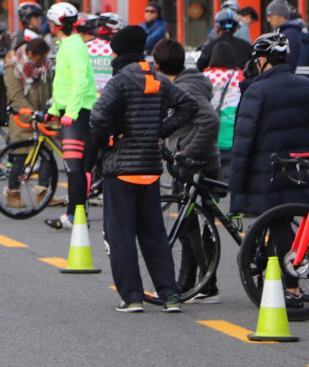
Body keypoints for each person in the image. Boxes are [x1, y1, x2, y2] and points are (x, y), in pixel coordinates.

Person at [90, 26, 196, 313]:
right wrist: (159, 130)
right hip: (150, 168)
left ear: (120, 53)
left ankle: (133, 297)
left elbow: (98, 115)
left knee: (120, 234)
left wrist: (108, 141)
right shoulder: (158, 79)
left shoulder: (120, 81)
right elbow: (189, 105)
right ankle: (170, 295)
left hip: (121, 171)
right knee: (154, 234)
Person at [230, 33, 309, 306]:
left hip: (267, 170)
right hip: (299, 167)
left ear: (262, 60)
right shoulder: (306, 87)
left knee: (278, 225)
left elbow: (243, 141)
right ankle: (287, 283)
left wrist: (236, 186)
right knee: (284, 222)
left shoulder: (257, 90)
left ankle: (291, 289)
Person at [153, 39, 222, 302]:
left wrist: (188, 151)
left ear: (158, 66)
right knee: (188, 225)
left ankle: (207, 284)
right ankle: (188, 282)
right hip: (190, 162)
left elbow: (209, 121)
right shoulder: (185, 82)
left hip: (198, 163)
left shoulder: (187, 87)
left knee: (195, 224)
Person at [45, 2, 97, 230]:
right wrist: (53, 111)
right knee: (77, 167)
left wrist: (71, 113)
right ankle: (74, 214)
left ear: (56, 24)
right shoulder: (67, 44)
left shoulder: (74, 46)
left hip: (78, 112)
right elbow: (64, 84)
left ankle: (74, 215)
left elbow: (80, 82)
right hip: (69, 110)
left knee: (74, 167)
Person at [3, 36, 55, 209]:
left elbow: (51, 89)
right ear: (30, 54)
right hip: (21, 116)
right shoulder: (12, 68)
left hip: (43, 115)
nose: (42, 63)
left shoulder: (46, 67)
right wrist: (31, 116)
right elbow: (16, 97)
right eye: (40, 59)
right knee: (20, 155)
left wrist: (47, 112)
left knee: (47, 154)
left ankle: (43, 194)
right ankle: (13, 193)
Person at [203, 42, 246, 183]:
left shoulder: (205, 76)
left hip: (210, 138)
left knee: (210, 183)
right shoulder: (239, 76)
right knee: (233, 184)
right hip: (233, 138)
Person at [265, 0, 304, 70]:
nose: (268, 19)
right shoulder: (287, 32)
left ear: (281, 15)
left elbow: (289, 62)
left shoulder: (290, 34)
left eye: (270, 15)